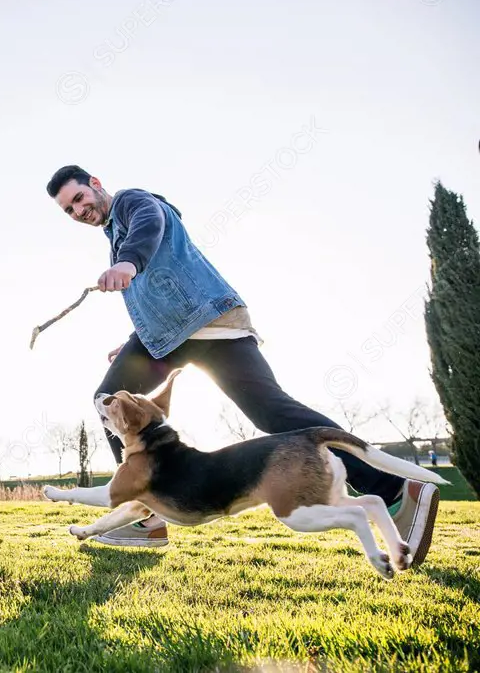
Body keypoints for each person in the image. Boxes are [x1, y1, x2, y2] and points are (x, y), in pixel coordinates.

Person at [45, 164, 441, 567]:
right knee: (108, 401)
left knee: (272, 412)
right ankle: (145, 511)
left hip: (208, 323)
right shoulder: (113, 232)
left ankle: (395, 492)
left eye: (79, 199)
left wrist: (128, 262)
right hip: (168, 336)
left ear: (96, 185)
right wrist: (136, 337)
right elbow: (158, 287)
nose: (78, 211)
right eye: (69, 211)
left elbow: (151, 223)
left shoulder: (133, 202)